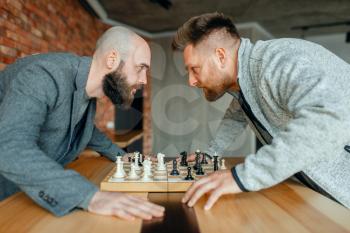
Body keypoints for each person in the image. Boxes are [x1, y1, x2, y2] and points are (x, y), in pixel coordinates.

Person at [172, 12, 350, 210]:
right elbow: (238, 113)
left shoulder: (276, 61)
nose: (191, 81)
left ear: (220, 56)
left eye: (194, 69)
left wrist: (242, 177)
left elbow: (329, 116)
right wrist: (210, 153)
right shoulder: (247, 77)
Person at [0, 26, 164, 219]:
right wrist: (90, 196)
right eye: (140, 68)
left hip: (28, 196)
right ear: (112, 60)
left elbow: (84, 129)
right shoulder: (45, 74)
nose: (144, 80)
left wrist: (123, 157)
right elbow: (9, 147)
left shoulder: (86, 91)